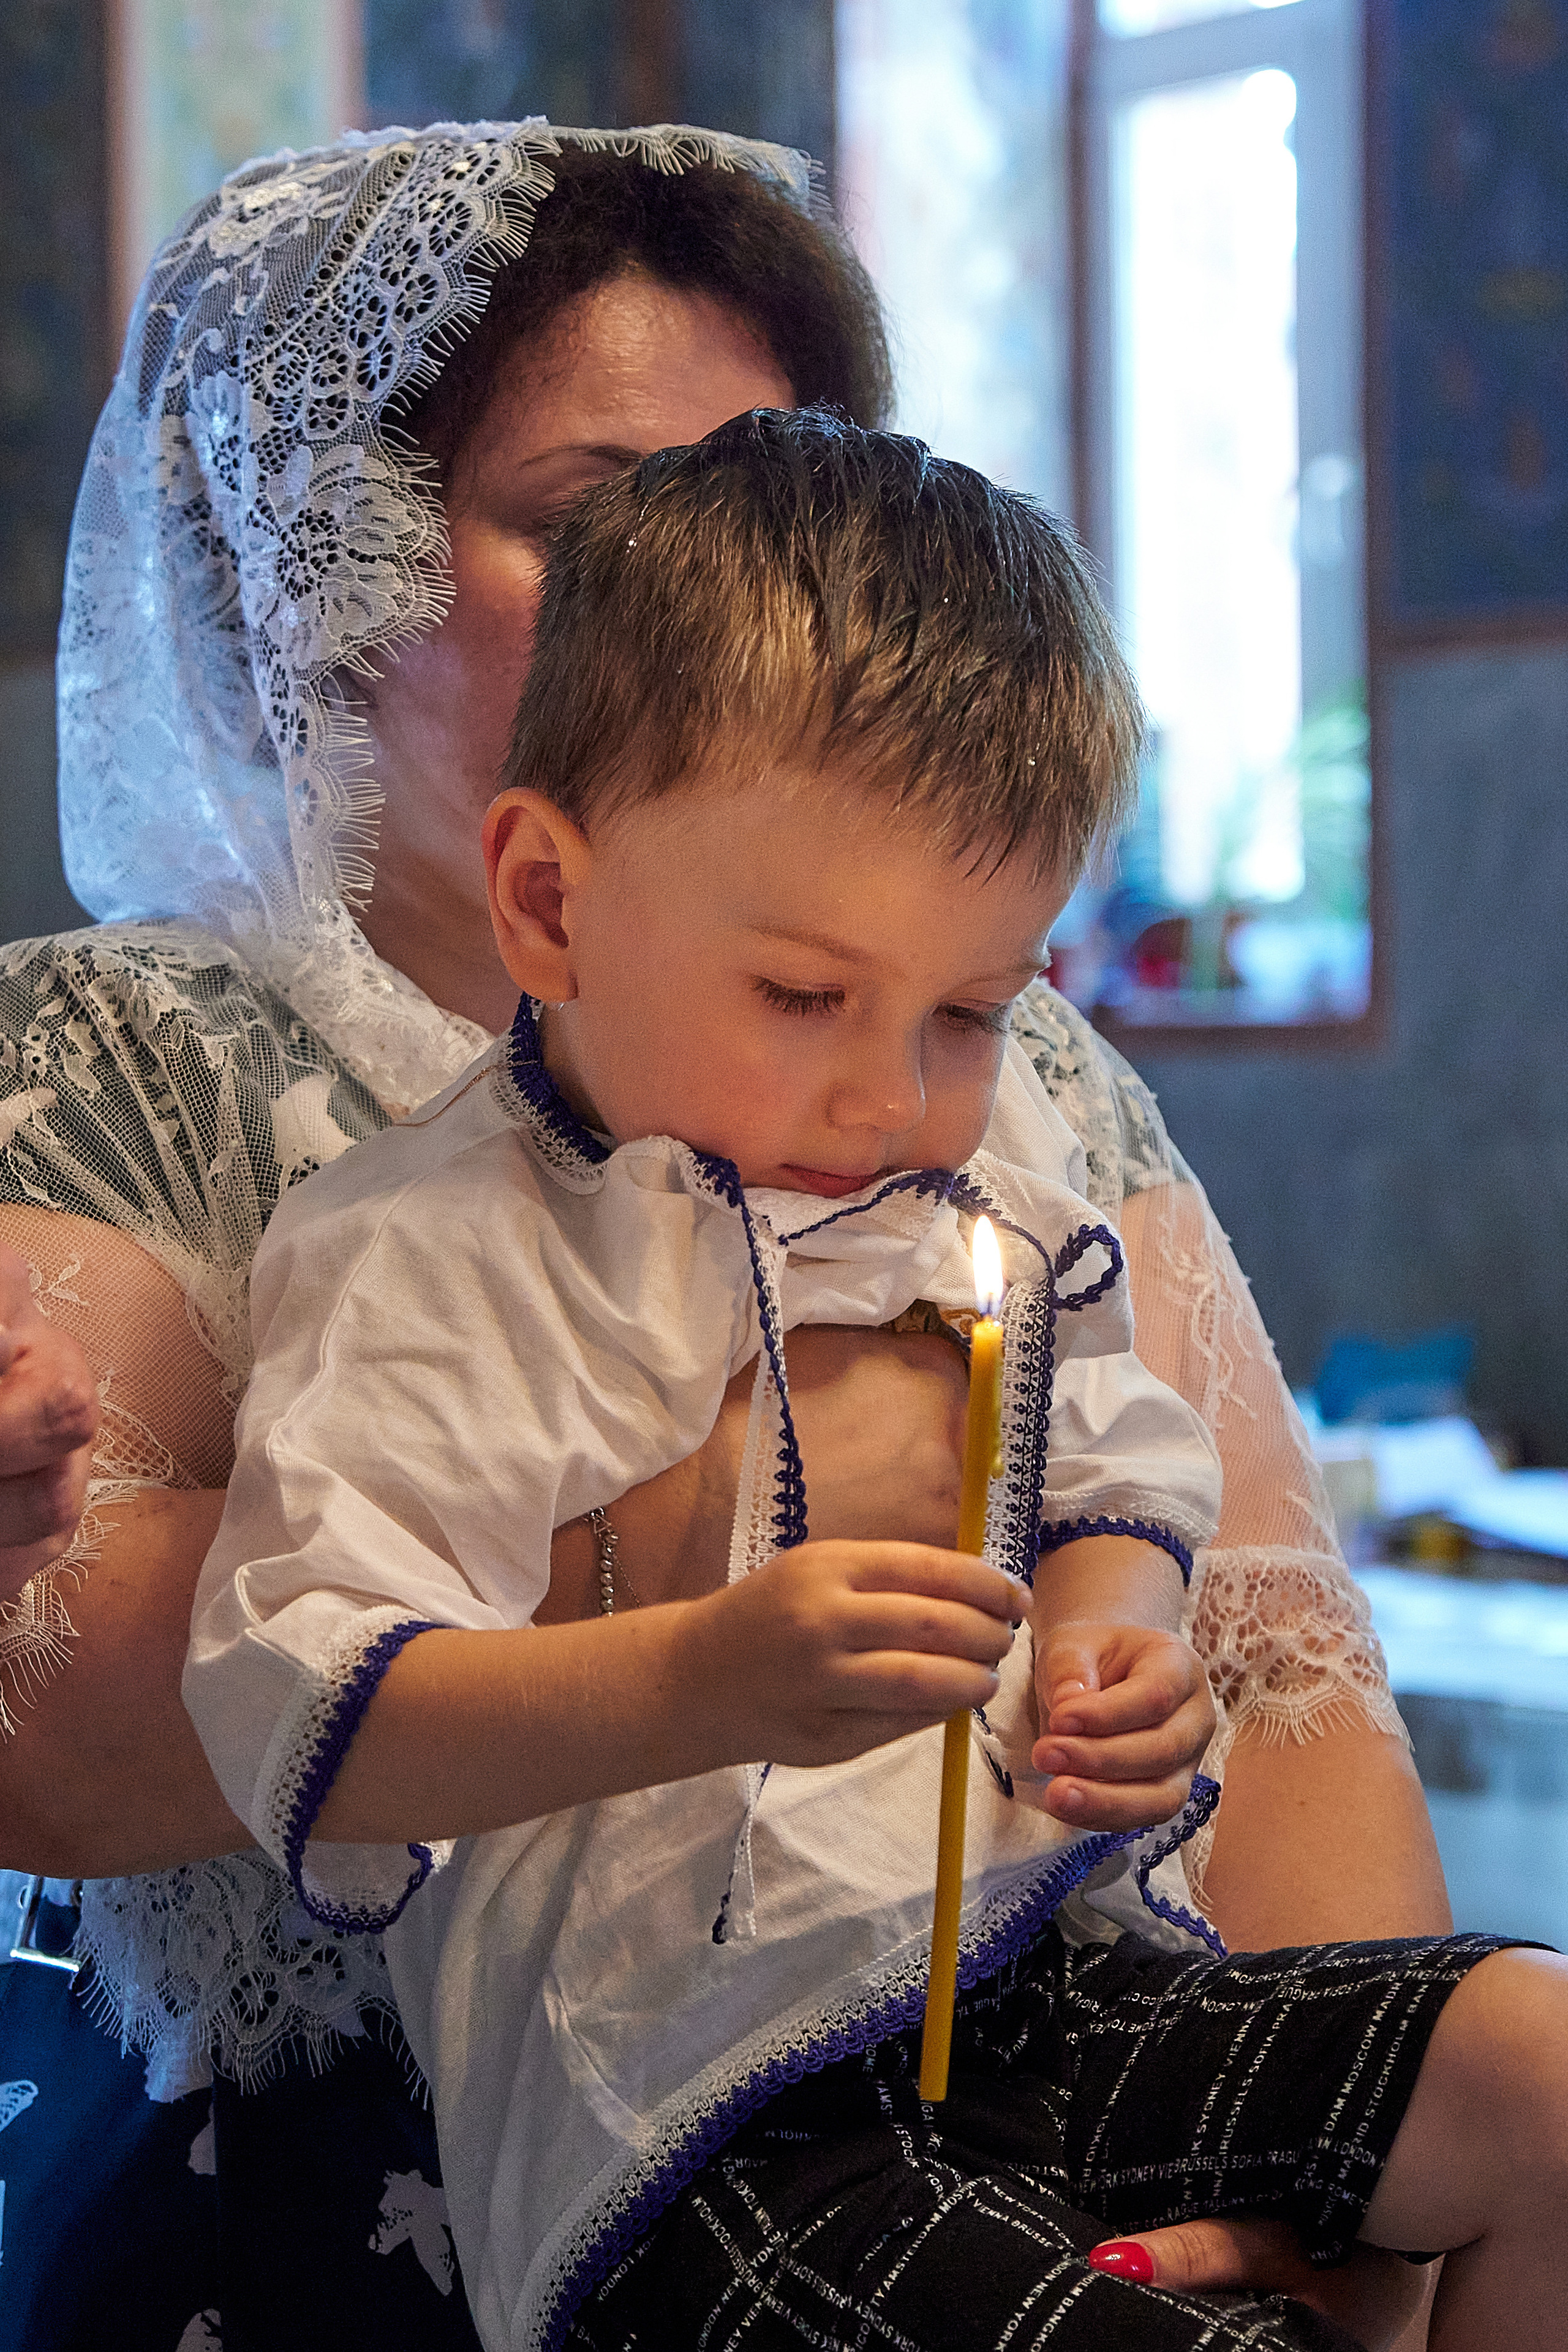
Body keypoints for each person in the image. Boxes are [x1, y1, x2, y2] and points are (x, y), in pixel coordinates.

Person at [0, 122, 1442, 2352]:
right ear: (321, 549)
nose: (705, 585)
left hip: (1016, 2139)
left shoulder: (1018, 1072)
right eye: (593, 520)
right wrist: (724, 1545)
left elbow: (1269, 1652)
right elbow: (56, 1705)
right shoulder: (125, 1044)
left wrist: (1326, 2203)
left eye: (774, 498)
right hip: (320, 2237)